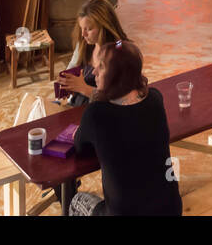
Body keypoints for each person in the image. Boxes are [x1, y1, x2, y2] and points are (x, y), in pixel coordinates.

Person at [68, 40, 182, 216]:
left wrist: (81, 132)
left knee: (76, 201)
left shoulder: (96, 114)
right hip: (170, 210)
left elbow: (80, 147)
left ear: (117, 75)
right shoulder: (155, 99)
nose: (94, 72)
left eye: (102, 67)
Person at [58, 0, 129, 106]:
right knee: (32, 103)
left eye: (89, 29)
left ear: (105, 27)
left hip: (98, 112)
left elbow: (119, 101)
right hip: (74, 104)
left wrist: (84, 88)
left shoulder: (120, 51)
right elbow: (71, 68)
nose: (83, 34)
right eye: (82, 28)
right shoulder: (85, 43)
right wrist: (66, 84)